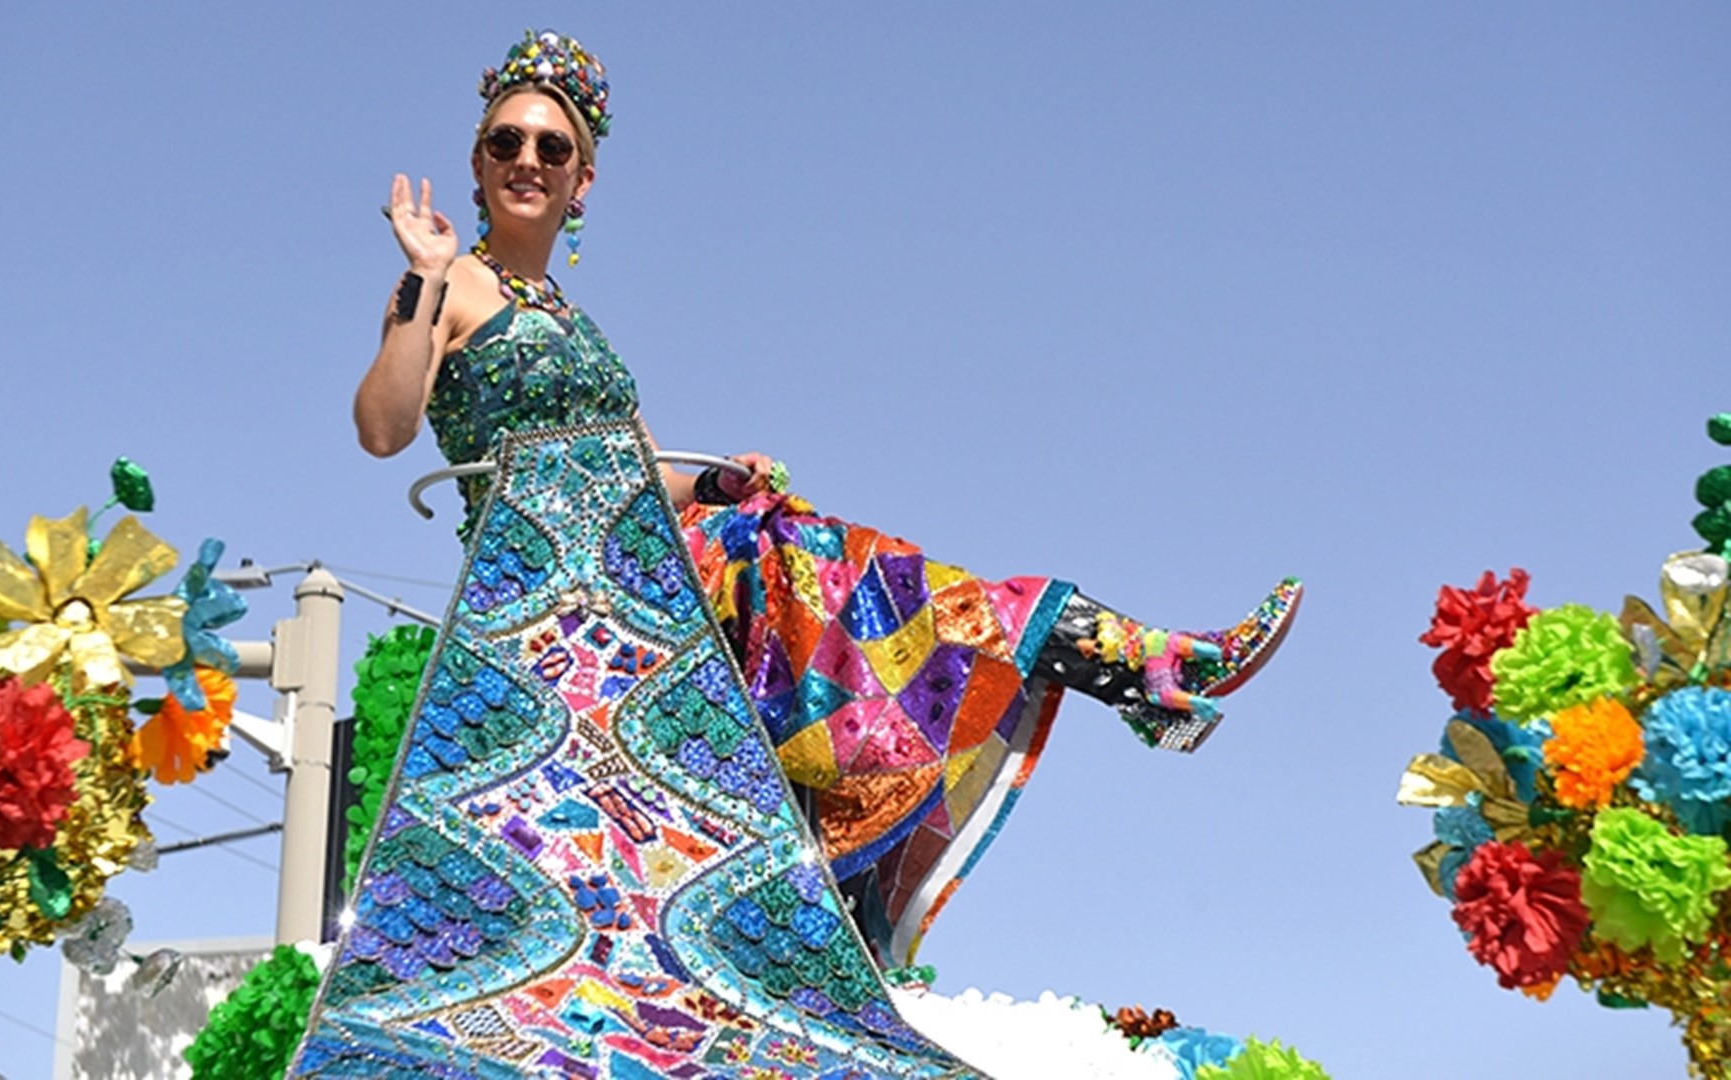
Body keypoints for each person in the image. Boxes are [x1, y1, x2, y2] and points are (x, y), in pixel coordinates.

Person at [353, 30, 1300, 966]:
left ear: (582, 181)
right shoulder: (448, 286)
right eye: (504, 143)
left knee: (866, 596)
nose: (526, 160)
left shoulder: (576, 325)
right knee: (823, 579)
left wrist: (721, 477)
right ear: (477, 165)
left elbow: (638, 462)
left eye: (550, 147)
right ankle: (1130, 673)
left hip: (643, 557)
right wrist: (427, 280)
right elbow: (384, 427)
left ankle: (1133, 667)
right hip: (552, 574)